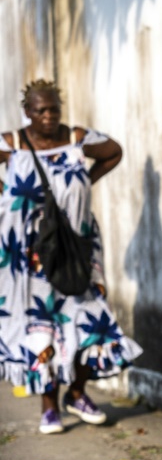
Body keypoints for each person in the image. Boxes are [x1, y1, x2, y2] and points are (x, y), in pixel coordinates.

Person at [0, 79, 141, 434]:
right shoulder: (12, 144)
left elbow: (114, 152)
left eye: (54, 109)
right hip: (29, 258)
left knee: (92, 318)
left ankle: (77, 393)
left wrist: (86, 182)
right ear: (27, 112)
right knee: (41, 327)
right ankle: (49, 407)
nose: (48, 116)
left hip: (77, 247)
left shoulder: (78, 139)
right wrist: (8, 196)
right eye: (40, 110)